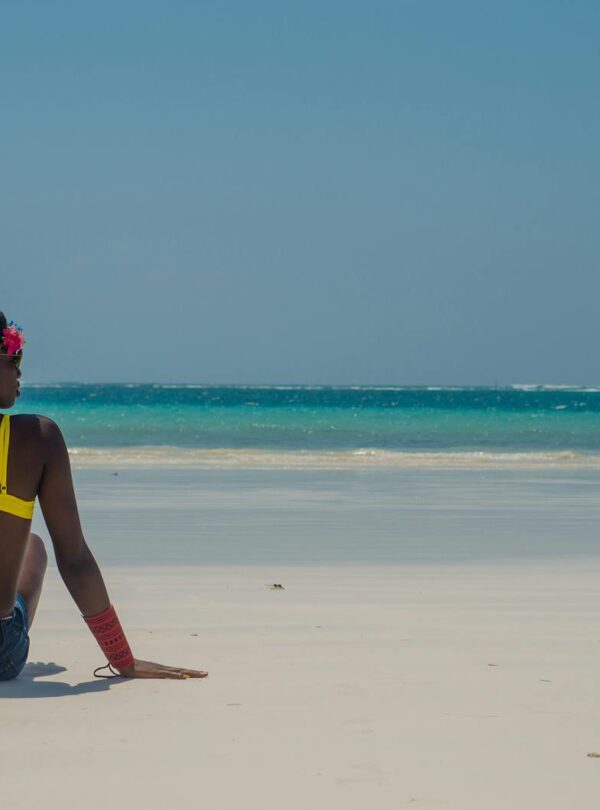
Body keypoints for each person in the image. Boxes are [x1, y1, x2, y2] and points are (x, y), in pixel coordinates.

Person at [0, 313, 208, 681]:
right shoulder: (37, 438)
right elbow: (75, 560)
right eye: (14, 357)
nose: (20, 372)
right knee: (35, 546)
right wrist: (124, 660)